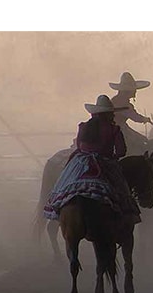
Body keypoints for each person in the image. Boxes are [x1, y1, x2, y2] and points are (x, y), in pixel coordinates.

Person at [43, 95, 141, 223]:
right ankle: (127, 216)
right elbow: (121, 151)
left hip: (81, 162)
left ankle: (55, 203)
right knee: (122, 188)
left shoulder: (83, 127)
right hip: (104, 163)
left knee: (64, 179)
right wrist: (112, 158)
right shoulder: (114, 129)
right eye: (111, 113)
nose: (113, 116)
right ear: (108, 114)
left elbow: (79, 146)